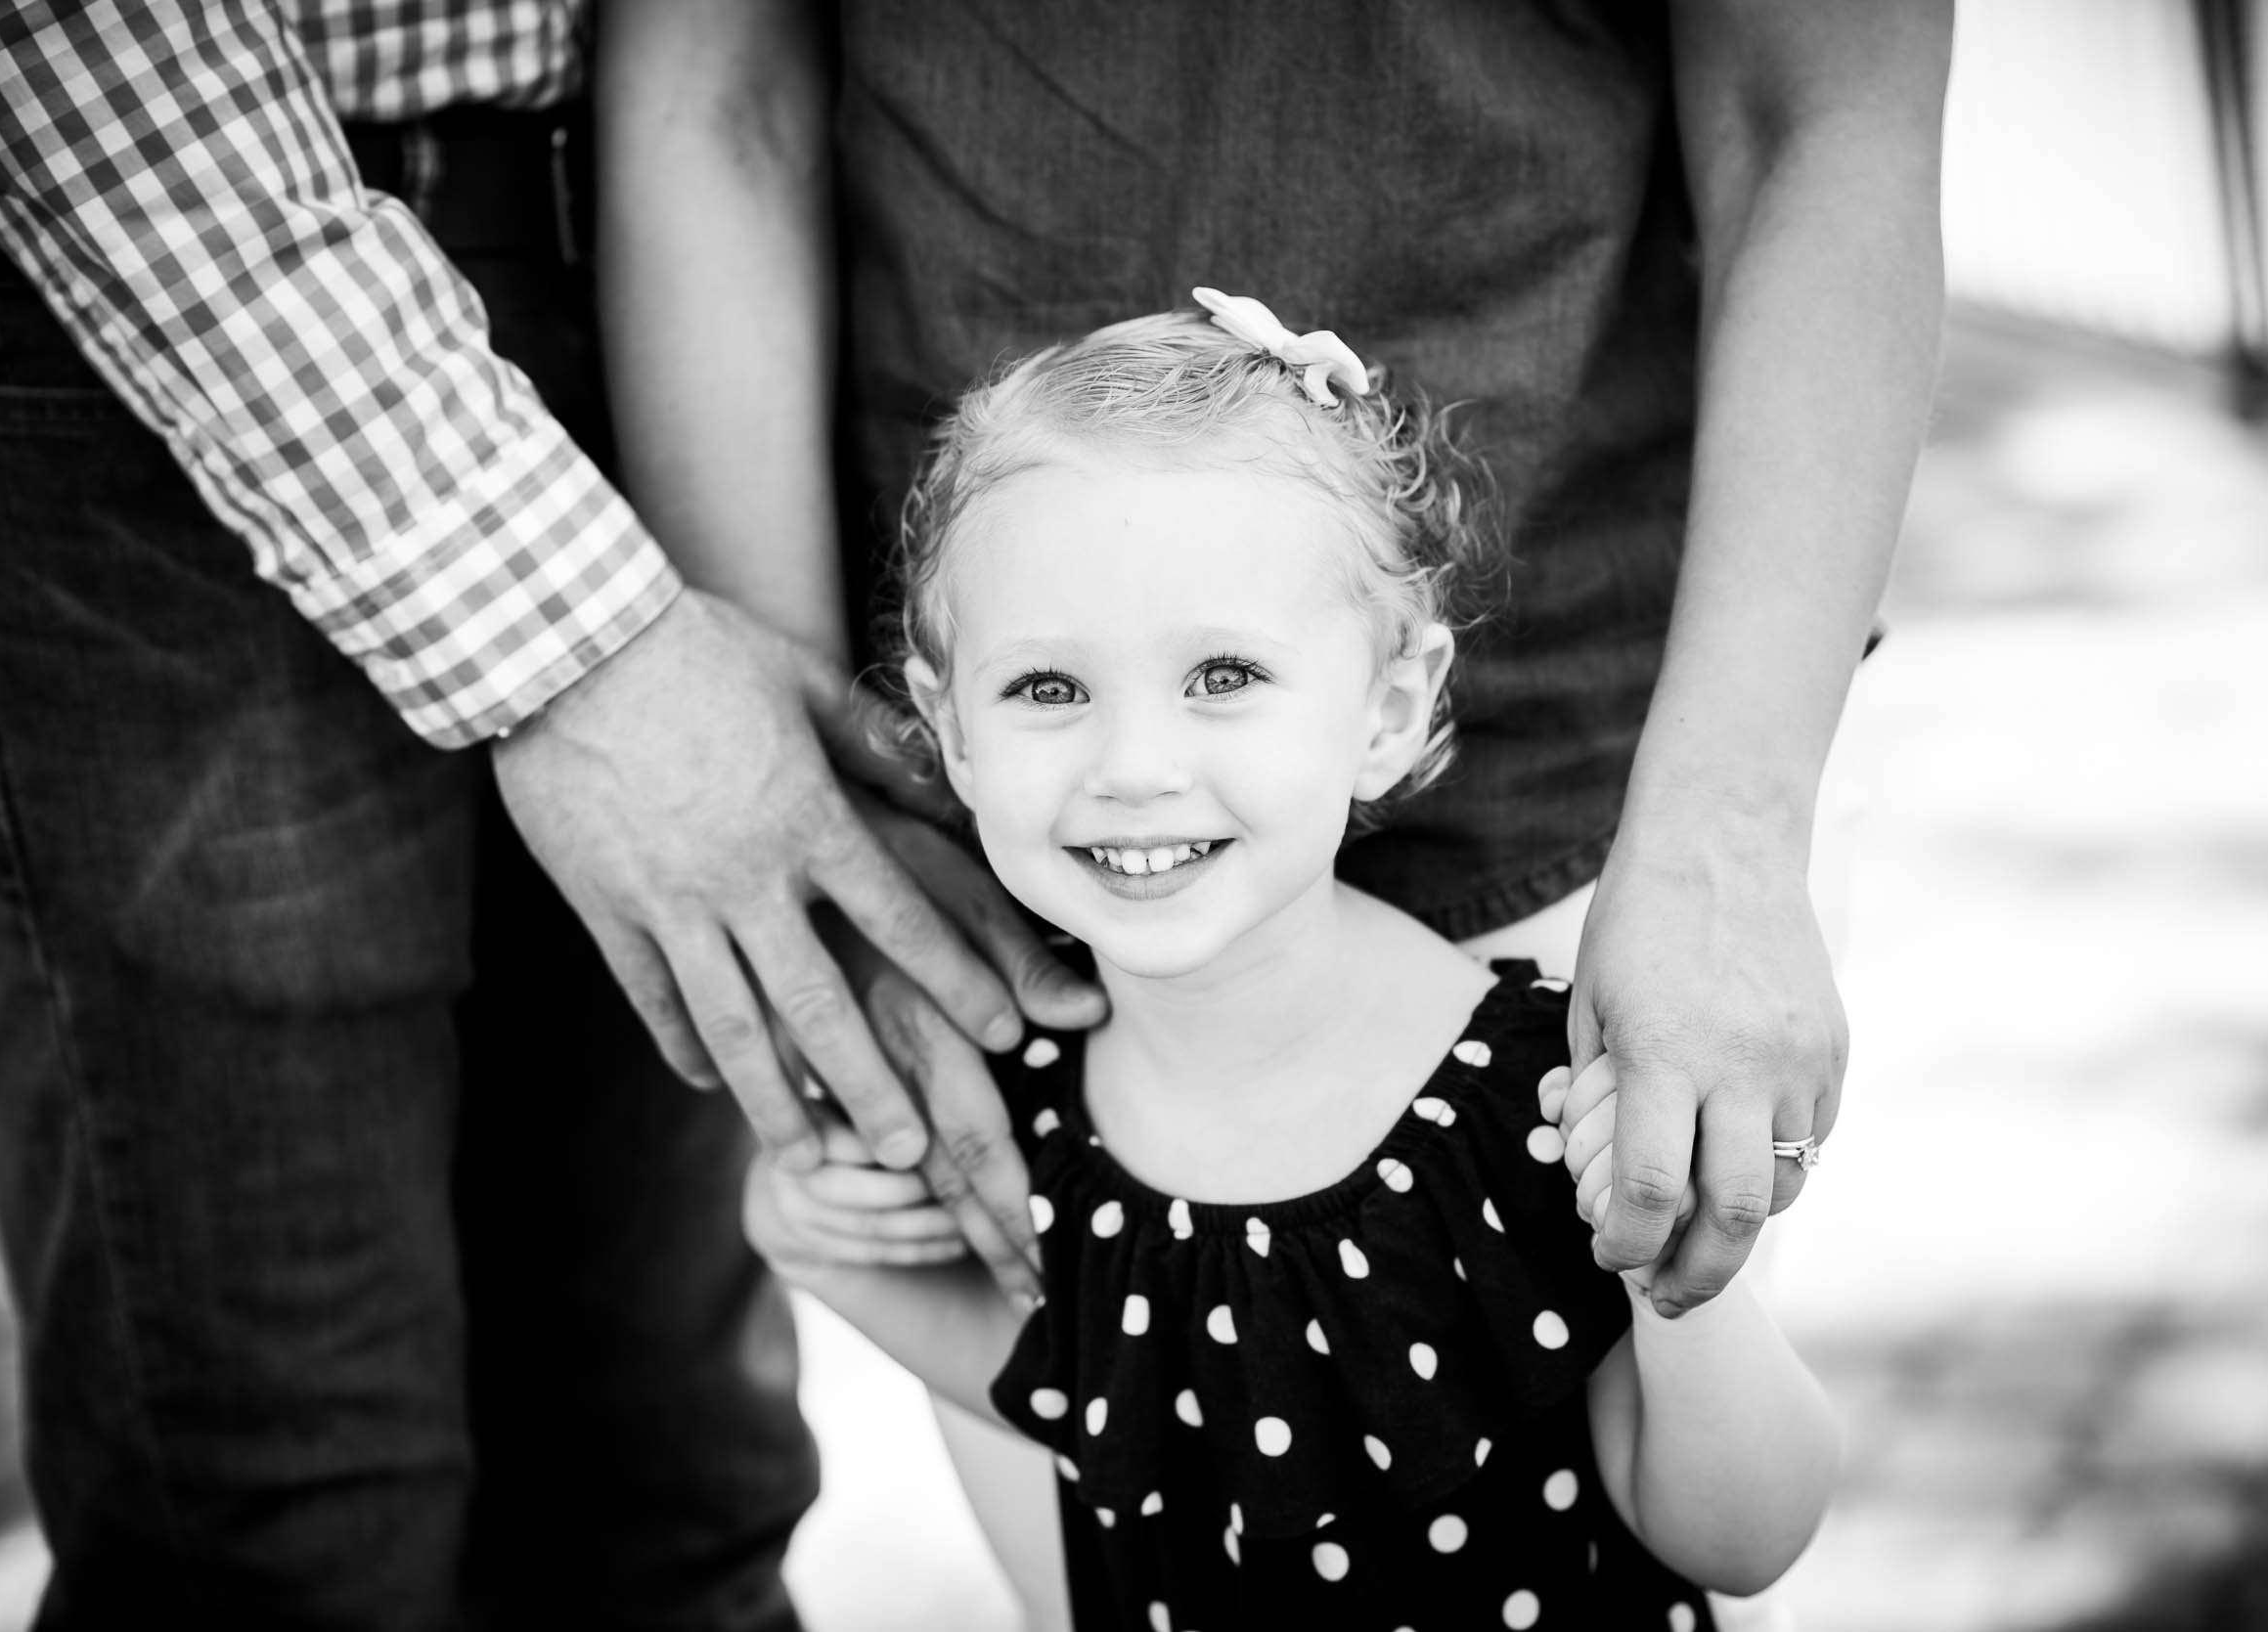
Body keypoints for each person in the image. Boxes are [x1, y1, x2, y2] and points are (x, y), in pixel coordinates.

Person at [0, 3, 1090, 1623]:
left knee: (672, 1478)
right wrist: (572, 647)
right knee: (292, 1521)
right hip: (152, 308)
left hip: (645, 260)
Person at [742, 299, 1841, 1631]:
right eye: (1047, 689)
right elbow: (1057, 1387)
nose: (1134, 766)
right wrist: (801, 1232)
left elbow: (1746, 1537)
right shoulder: (1025, 1124)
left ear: (1386, 709)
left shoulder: (1536, 1099)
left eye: (1221, 674)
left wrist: (1679, 1289)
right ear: (948, 729)